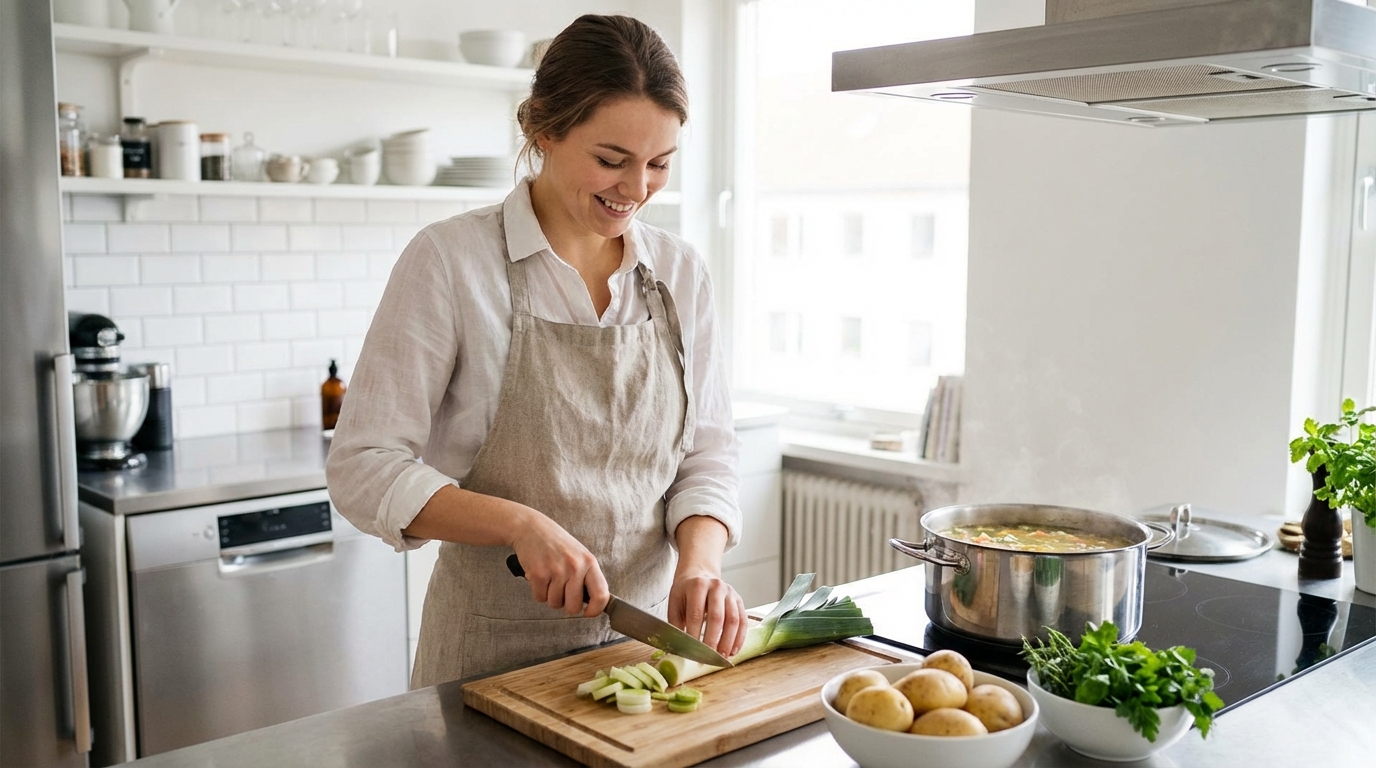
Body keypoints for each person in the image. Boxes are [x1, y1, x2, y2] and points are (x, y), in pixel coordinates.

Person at [326, 14, 746, 688]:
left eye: (659, 164)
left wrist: (700, 562)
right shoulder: (450, 261)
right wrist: (518, 524)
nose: (636, 189)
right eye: (612, 160)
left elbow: (708, 454)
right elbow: (362, 467)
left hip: (642, 657)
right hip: (486, 665)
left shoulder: (679, 275)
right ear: (542, 130)